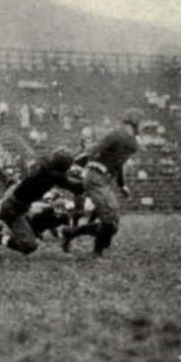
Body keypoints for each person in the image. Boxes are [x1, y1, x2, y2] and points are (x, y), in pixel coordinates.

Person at [0, 147, 84, 255]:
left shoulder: (46, 166)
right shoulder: (54, 175)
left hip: (17, 198)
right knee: (29, 246)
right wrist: (90, 180)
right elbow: (77, 187)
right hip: (15, 208)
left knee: (4, 212)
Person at [60, 109, 142, 256]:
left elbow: (118, 164)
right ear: (135, 121)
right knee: (110, 221)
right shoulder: (119, 135)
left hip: (103, 179)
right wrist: (75, 159)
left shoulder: (129, 141)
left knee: (112, 222)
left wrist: (121, 184)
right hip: (96, 177)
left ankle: (71, 233)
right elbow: (94, 150)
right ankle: (97, 251)